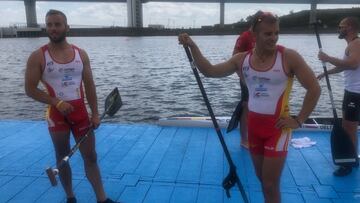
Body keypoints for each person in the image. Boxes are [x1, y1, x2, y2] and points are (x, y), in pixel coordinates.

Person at [179, 11, 320, 203]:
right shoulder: (241, 59)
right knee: (263, 181)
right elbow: (210, 71)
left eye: (276, 33)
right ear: (254, 34)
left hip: (277, 129)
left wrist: (299, 119)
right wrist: (193, 46)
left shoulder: (288, 57)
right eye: (268, 34)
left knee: (270, 184)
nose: (274, 38)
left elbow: (314, 88)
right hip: (254, 128)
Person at [24, 9, 118, 203]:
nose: (53, 28)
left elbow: (89, 86)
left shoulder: (80, 54)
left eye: (57, 24)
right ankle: (70, 197)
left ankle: (102, 199)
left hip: (81, 113)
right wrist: (55, 101)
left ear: (67, 27)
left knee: (90, 157)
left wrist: (96, 113)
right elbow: (30, 89)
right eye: (49, 24)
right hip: (56, 114)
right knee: (62, 156)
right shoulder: (38, 56)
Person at [317, 16, 360, 177]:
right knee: (351, 128)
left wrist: (327, 58)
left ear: (349, 28)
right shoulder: (353, 44)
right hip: (353, 93)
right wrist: (325, 73)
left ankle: (347, 164)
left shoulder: (356, 44)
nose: (339, 29)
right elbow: (345, 66)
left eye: (341, 26)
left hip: (355, 94)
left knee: (348, 129)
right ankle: (353, 158)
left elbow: (353, 64)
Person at [231, 23, 256, 148]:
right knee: (246, 107)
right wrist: (242, 77)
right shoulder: (245, 36)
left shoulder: (258, 36)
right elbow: (234, 57)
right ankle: (244, 139)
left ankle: (254, 135)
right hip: (246, 78)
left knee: (255, 107)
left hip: (258, 79)